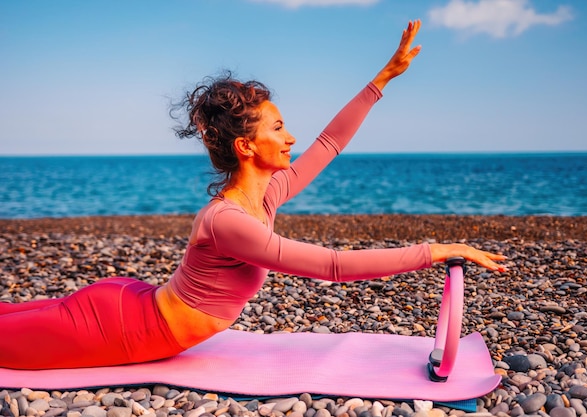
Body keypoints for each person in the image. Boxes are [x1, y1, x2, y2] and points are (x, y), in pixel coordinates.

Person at [0, 20, 506, 370]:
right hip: (123, 327)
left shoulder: (267, 195)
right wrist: (432, 251)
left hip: (129, 308)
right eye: (279, 127)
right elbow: (330, 266)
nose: (291, 138)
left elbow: (330, 143)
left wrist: (382, 79)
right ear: (246, 146)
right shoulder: (228, 222)